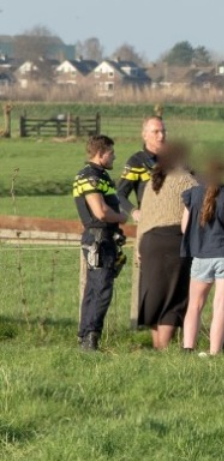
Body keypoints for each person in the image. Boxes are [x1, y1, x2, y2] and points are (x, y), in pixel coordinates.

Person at [178, 151, 224, 356]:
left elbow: (184, 228)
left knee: (195, 305)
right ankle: (214, 352)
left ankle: (188, 348)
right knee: (220, 306)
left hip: (201, 255)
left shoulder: (192, 195)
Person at [132, 141, 196, 349]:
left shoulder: (153, 182)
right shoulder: (186, 180)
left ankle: (157, 344)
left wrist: (138, 247)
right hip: (174, 240)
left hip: (149, 242)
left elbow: (144, 217)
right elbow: (202, 204)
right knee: (173, 295)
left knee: (154, 294)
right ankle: (164, 347)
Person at [74, 134, 129, 352]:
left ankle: (85, 336)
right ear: (100, 153)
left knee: (93, 288)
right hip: (99, 238)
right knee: (101, 289)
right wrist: (122, 218)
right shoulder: (90, 177)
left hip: (103, 237)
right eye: (111, 153)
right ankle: (90, 340)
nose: (114, 156)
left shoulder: (99, 175)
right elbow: (100, 211)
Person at [116, 114, 164, 218]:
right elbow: (119, 194)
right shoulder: (136, 161)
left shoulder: (174, 159)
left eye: (163, 131)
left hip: (174, 227)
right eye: (156, 132)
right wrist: (134, 212)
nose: (161, 136)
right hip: (150, 225)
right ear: (145, 135)